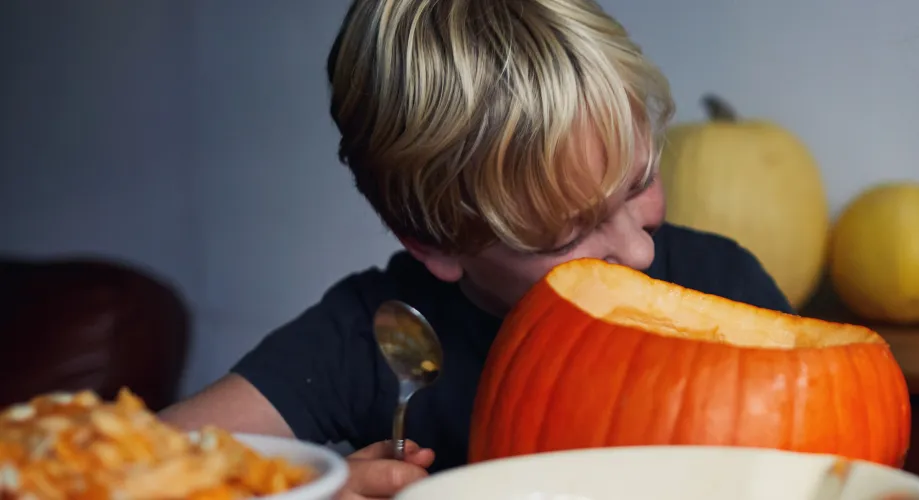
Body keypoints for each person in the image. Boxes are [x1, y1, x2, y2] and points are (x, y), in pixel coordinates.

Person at [158, 0, 792, 497]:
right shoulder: (379, 339)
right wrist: (302, 488)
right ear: (435, 245)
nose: (637, 254)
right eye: (569, 235)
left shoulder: (724, 281)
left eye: (638, 183)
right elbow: (130, 469)